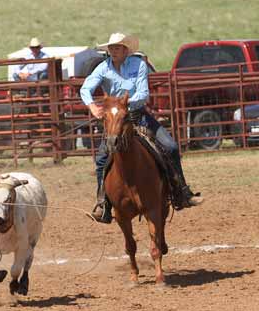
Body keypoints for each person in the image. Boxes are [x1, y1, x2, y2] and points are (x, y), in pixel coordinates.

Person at [80, 33, 203, 223]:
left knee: (170, 147)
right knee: (102, 159)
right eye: (111, 48)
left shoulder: (139, 65)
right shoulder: (103, 68)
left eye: (117, 48)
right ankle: (103, 203)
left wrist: (125, 103)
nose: (113, 51)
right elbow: (85, 88)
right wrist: (92, 105)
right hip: (116, 120)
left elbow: (143, 93)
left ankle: (182, 192)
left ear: (126, 50)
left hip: (137, 115)